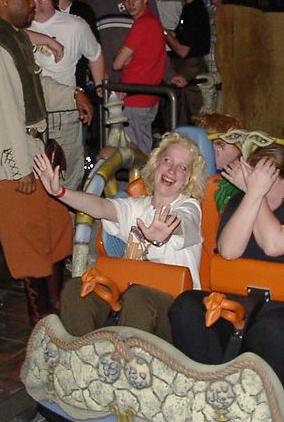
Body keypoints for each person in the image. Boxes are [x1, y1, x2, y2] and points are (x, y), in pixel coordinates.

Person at [0, 0, 93, 327]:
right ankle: (43, 325)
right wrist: (19, 168)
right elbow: (1, 114)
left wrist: (73, 94)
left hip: (30, 151)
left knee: (54, 233)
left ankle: (56, 312)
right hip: (11, 160)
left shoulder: (12, 39)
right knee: (31, 246)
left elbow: (34, 89)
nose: (33, 3)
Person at [169, 144, 284, 385]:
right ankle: (203, 388)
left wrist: (255, 193)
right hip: (242, 312)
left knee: (273, 328)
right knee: (187, 305)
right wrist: (252, 196)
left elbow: (273, 244)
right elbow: (229, 250)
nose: (256, 184)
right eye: (252, 177)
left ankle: (252, 400)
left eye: (263, 179)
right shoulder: (241, 201)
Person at [33, 131, 206, 341]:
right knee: (76, 289)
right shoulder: (136, 207)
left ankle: (127, 360)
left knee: (139, 297)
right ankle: (83, 355)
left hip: (175, 310)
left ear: (187, 180)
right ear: (156, 164)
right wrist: (60, 192)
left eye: (182, 167)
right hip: (129, 299)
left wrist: (165, 231)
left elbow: (184, 223)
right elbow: (100, 207)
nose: (172, 170)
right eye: (168, 160)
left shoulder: (189, 207)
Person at [29, 0, 104, 190]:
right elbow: (6, 34)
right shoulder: (20, 25)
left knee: (67, 180)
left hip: (64, 114)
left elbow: (95, 54)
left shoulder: (75, 25)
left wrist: (100, 87)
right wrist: (45, 40)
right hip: (31, 115)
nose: (24, 0)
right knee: (34, 180)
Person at [114, 0, 167, 153]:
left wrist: (125, 58)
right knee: (139, 147)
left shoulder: (142, 24)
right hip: (148, 96)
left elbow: (117, 63)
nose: (130, 4)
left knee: (135, 152)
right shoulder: (152, 21)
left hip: (136, 98)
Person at [166, 0, 211, 124]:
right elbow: (179, 34)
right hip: (185, 69)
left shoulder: (196, 11)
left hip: (190, 70)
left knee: (191, 119)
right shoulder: (188, 8)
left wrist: (163, 33)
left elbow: (183, 50)